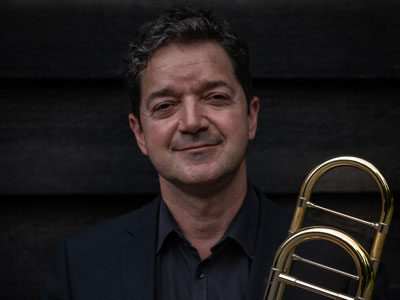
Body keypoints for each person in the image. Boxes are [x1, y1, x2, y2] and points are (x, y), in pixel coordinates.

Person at [41, 7, 387, 300]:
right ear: (139, 133)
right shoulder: (81, 266)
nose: (191, 122)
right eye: (165, 105)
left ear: (251, 116)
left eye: (216, 97)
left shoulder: (340, 267)